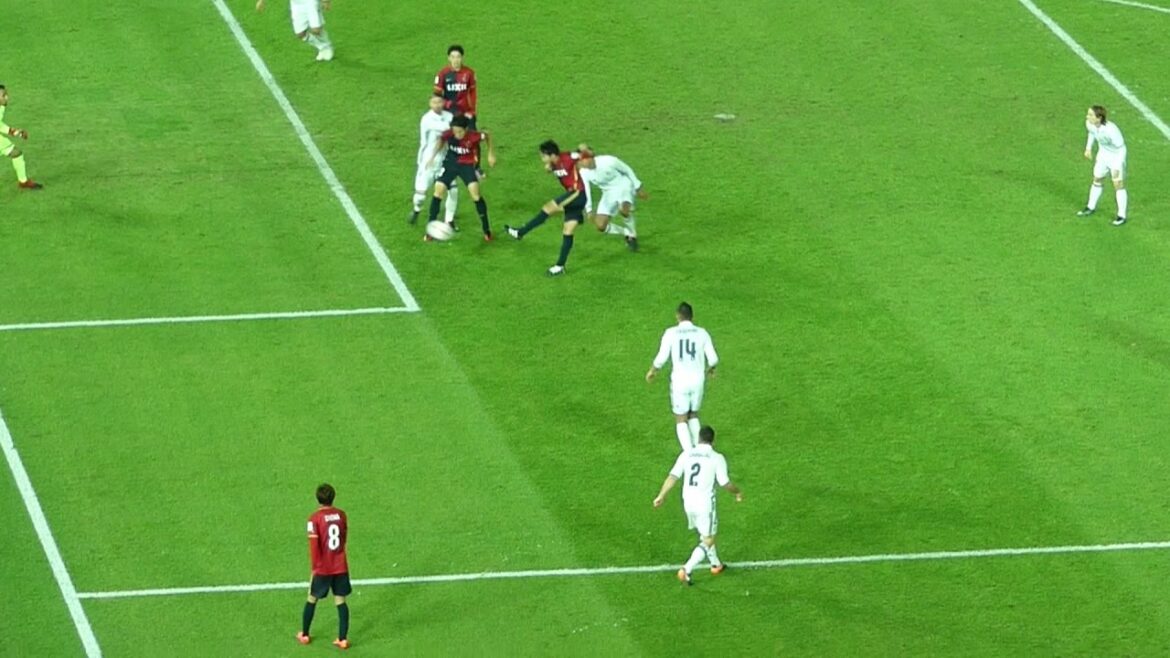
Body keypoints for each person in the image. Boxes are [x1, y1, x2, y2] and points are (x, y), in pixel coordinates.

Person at [652, 425, 743, 586]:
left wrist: (661, 495)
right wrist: (737, 492)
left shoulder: (687, 454)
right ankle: (687, 569)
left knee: (705, 533)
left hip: (688, 502)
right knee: (708, 539)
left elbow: (672, 477)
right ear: (712, 441)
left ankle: (716, 564)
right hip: (704, 504)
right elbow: (724, 483)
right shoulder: (716, 457)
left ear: (699, 439)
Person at [504, 141, 588, 276]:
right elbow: (550, 169)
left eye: (543, 156)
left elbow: (582, 152)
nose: (542, 159)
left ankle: (521, 232)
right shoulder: (554, 163)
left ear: (552, 154)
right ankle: (560, 266)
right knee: (568, 231)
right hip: (576, 196)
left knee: (547, 208)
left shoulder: (567, 157)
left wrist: (583, 150)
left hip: (577, 194)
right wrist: (549, 165)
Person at [646, 302, 719, 452]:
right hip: (698, 380)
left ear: (678, 316)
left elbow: (662, 357)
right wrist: (711, 369)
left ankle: (689, 454)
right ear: (692, 316)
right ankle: (701, 449)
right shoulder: (702, 333)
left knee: (680, 417)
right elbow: (713, 359)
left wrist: (653, 370)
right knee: (693, 414)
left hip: (680, 381)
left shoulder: (671, 333)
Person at [422, 115, 496, 240]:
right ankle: (430, 231)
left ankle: (486, 230)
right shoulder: (449, 134)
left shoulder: (474, 136)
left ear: (466, 129)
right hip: (450, 164)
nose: (456, 134)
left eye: (460, 131)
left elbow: (487, 135)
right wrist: (432, 157)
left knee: (475, 195)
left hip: (466, 166)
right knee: (438, 191)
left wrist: (490, 154)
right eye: (455, 131)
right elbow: (441, 140)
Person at [297, 483, 351, 650]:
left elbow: (314, 545)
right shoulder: (342, 515)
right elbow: (344, 537)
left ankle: (305, 635)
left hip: (322, 567)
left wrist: (315, 568)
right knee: (340, 600)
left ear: (317, 498)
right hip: (340, 565)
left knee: (312, 598)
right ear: (333, 497)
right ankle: (342, 639)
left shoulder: (314, 519)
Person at [577, 145, 647, 251]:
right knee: (600, 226)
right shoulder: (584, 172)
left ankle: (632, 236)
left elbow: (627, 170)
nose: (581, 164)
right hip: (608, 193)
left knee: (623, 210)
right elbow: (586, 190)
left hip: (623, 185)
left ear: (590, 158)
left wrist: (637, 187)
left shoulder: (608, 161)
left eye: (582, 160)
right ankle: (626, 232)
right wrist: (589, 210)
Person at [1077, 105, 1128, 226]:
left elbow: (1121, 148)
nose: (1087, 116)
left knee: (1118, 184)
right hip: (1103, 155)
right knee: (1097, 179)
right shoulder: (1090, 124)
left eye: (1090, 115)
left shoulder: (1112, 130)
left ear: (1099, 118)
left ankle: (1121, 215)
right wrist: (1088, 148)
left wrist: (1118, 165)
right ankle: (1090, 207)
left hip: (1116, 156)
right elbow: (1092, 133)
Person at [411, 97, 458, 225]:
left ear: (444, 103)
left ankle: (449, 220)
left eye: (440, 102)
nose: (437, 105)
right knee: (420, 196)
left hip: (446, 161)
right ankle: (416, 210)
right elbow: (448, 130)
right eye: (434, 102)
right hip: (429, 160)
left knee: (453, 190)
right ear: (430, 103)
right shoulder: (427, 119)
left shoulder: (449, 116)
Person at [256, 0, 334, 62]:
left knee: (316, 30)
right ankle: (322, 47)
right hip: (296, 5)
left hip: (311, 2)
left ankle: (327, 47)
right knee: (300, 34)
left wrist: (325, 1)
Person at [0, 85, 43, 190]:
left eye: (6, 94)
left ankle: (23, 182)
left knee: (16, 153)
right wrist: (15, 133)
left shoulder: (1, 106)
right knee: (16, 153)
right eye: (3, 95)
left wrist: (15, 132)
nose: (6, 98)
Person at [433, 45, 477, 128]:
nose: (455, 60)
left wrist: (472, 111)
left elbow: (473, 93)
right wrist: (446, 107)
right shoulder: (442, 74)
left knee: (472, 137)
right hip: (449, 113)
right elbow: (436, 95)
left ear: (462, 58)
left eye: (458, 57)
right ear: (449, 58)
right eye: (453, 57)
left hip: (466, 111)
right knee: (453, 139)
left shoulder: (469, 73)